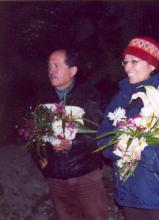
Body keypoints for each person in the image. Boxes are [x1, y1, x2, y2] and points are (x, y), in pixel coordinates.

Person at [97, 36, 159, 220]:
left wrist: (143, 154)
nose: (127, 67)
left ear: (152, 66)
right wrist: (117, 147)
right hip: (130, 196)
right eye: (125, 62)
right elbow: (103, 136)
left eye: (134, 61)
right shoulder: (120, 97)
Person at [38, 49, 108, 220]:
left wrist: (71, 144)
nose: (51, 71)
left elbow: (99, 135)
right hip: (56, 180)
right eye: (49, 66)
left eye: (56, 65)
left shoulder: (89, 97)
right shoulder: (43, 99)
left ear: (73, 70)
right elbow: (33, 133)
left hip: (86, 178)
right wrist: (39, 157)